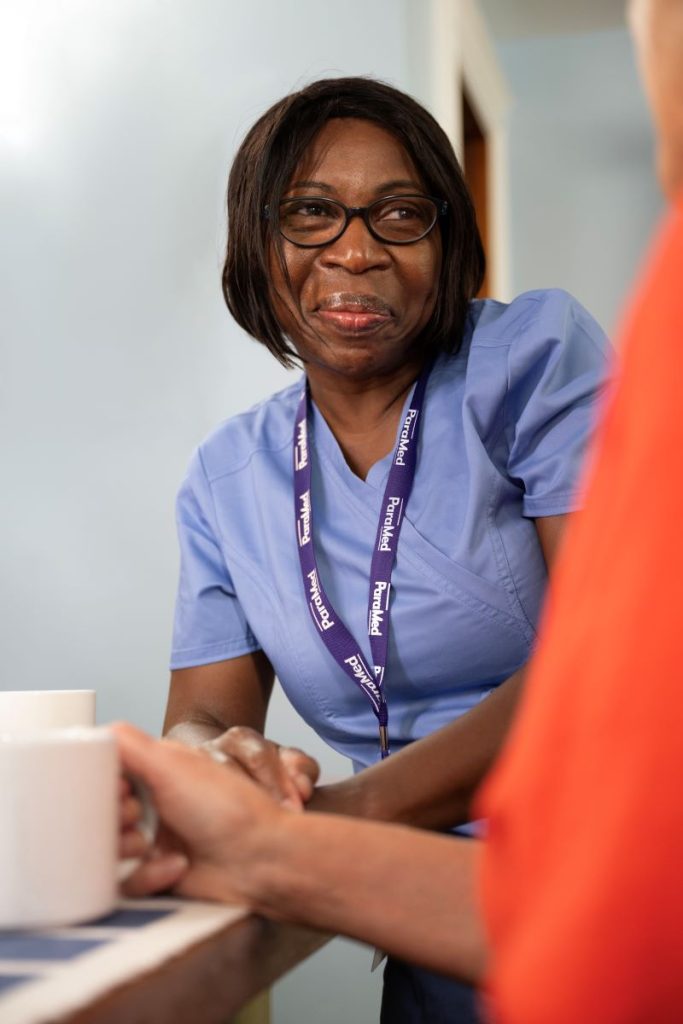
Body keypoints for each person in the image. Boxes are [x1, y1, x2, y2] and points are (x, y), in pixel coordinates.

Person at [118, 1, 683, 1020]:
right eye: (308, 212)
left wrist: (323, 822)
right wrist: (219, 761)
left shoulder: (531, 359)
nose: (355, 250)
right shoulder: (225, 474)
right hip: (407, 916)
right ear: (258, 240)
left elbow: (602, 666)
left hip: (586, 886)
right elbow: (202, 715)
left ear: (445, 237)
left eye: (399, 213)